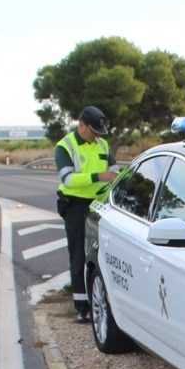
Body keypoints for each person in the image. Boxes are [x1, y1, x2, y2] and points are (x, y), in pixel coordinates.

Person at [55, 105, 118, 322]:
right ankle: (82, 307)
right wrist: (98, 177)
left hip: (99, 205)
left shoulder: (102, 143)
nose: (97, 137)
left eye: (100, 133)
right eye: (94, 132)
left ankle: (103, 299)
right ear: (81, 125)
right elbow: (68, 179)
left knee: (102, 254)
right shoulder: (65, 146)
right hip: (75, 206)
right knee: (79, 256)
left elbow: (114, 171)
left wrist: (113, 177)